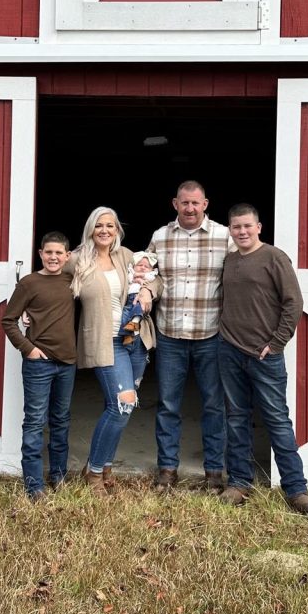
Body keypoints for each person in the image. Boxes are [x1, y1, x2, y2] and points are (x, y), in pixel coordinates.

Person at [217, 204, 308, 516]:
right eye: (236, 227)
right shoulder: (230, 260)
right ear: (231, 230)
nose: (242, 232)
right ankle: (239, 481)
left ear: (259, 227)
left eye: (247, 226)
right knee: (236, 418)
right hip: (230, 350)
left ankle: (296, 489)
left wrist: (276, 344)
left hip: (264, 355)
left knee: (276, 420)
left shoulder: (274, 258)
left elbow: (294, 302)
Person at [148, 180, 231, 491]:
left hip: (211, 333)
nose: (190, 208)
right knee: (168, 404)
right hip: (170, 334)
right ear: (175, 204)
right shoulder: (160, 236)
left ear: (205, 204)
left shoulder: (224, 236)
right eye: (185, 203)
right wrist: (145, 289)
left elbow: (245, 267)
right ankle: (167, 470)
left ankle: (214, 473)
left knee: (214, 405)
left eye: (196, 203)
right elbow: (149, 274)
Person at [71, 206, 160, 495]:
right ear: (90, 229)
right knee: (120, 405)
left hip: (134, 341)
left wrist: (147, 290)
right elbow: (49, 277)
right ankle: (94, 471)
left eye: (110, 225)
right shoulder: (77, 259)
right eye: (99, 226)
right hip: (104, 342)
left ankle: (106, 465)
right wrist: (30, 312)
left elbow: (156, 275)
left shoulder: (126, 256)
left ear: (117, 230)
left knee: (126, 407)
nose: (105, 231)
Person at [1, 231, 77, 500]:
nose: (53, 257)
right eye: (49, 252)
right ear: (40, 254)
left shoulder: (73, 281)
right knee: (34, 421)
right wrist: (28, 348)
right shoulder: (30, 283)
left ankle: (59, 475)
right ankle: (34, 485)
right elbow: (8, 321)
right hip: (39, 363)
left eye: (59, 253)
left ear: (67, 256)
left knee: (61, 420)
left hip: (67, 362)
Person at [121, 250, 158, 345]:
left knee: (139, 310)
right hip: (129, 299)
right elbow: (128, 278)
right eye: (139, 265)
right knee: (124, 316)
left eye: (146, 267)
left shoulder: (150, 275)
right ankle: (128, 335)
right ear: (133, 266)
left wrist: (139, 278)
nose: (143, 268)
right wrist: (134, 276)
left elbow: (150, 278)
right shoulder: (130, 273)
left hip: (140, 298)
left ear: (152, 269)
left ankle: (135, 322)